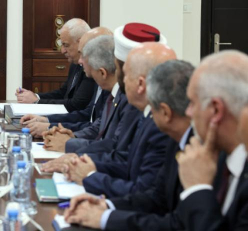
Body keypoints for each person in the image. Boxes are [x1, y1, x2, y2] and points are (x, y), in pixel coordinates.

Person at [64, 60, 194, 230]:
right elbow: (156, 198)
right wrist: (107, 206)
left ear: (165, 112)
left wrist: (105, 217)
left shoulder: (181, 140)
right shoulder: (175, 134)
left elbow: (178, 223)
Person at [176, 50, 248, 230]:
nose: (188, 113)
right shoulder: (217, 157)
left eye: (192, 103)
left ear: (216, 110)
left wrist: (198, 189)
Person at [21, 27, 111, 137]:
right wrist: (46, 120)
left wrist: (52, 128)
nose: (80, 60)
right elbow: (87, 115)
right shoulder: (98, 78)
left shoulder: (111, 88)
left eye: (83, 54)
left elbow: (96, 127)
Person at [15, 18, 96, 111]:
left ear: (80, 41)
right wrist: (34, 96)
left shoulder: (91, 66)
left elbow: (77, 104)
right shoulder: (75, 63)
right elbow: (63, 93)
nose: (62, 50)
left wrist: (36, 101)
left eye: (66, 45)